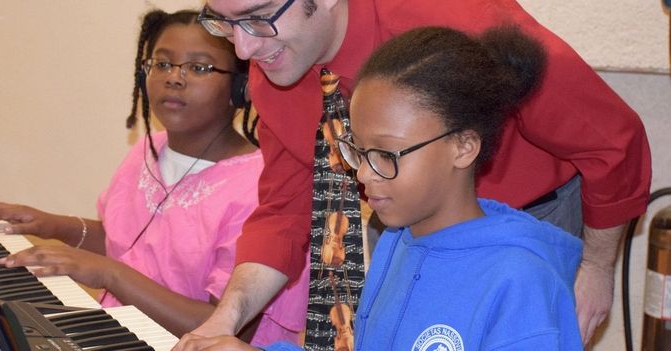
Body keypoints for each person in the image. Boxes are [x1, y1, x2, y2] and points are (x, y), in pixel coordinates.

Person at [176, 0, 652, 347]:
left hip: (530, 226)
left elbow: (612, 140)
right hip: (405, 228)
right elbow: (285, 207)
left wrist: (594, 269)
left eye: (258, 17)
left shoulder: (459, 19)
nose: (243, 47)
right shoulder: (273, 62)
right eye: (225, 20)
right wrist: (226, 320)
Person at [177, 25, 584, 350]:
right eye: (359, 152)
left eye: (387, 155)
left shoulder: (520, 282)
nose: (365, 176)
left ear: (463, 147)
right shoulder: (397, 242)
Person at [0, 9, 307, 346]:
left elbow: (223, 326)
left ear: (240, 88)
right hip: (123, 335)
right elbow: (124, 242)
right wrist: (54, 227)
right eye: (162, 64)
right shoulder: (151, 150)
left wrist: (109, 273)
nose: (174, 78)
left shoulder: (260, 186)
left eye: (198, 67)